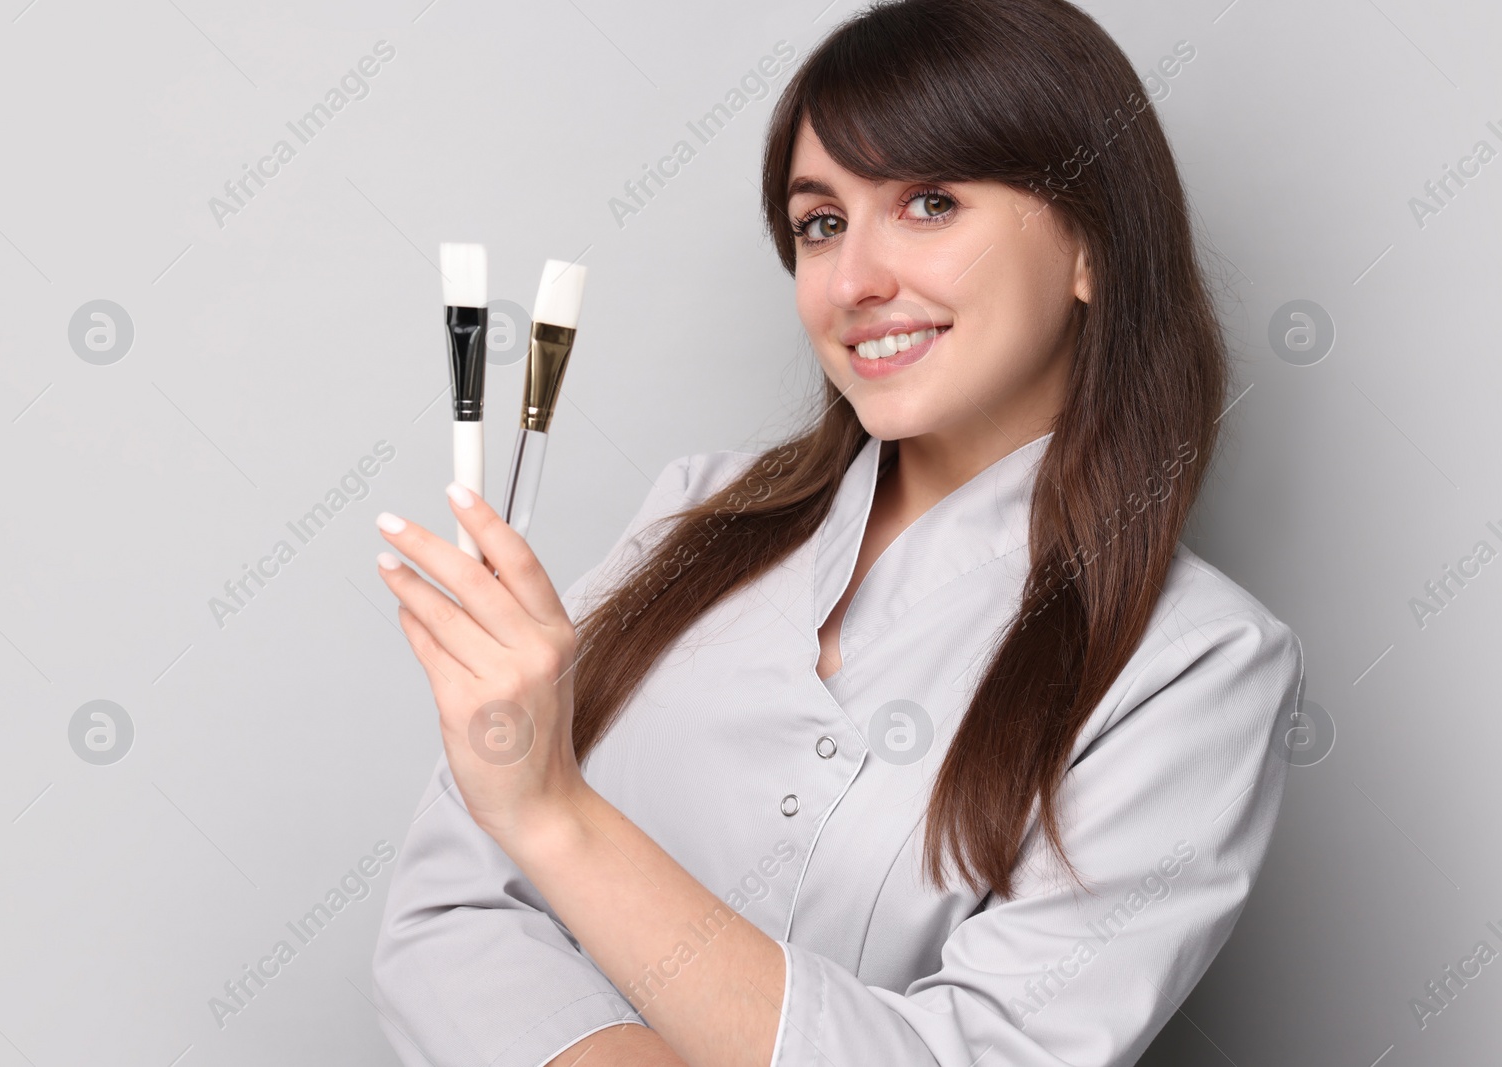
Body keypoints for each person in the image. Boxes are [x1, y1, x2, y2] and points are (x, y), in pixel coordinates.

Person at [368, 1, 1305, 1064]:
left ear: (1089, 243)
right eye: (820, 222)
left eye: (931, 203)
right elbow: (447, 910)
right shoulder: (691, 519)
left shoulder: (1196, 665)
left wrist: (553, 816)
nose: (853, 282)